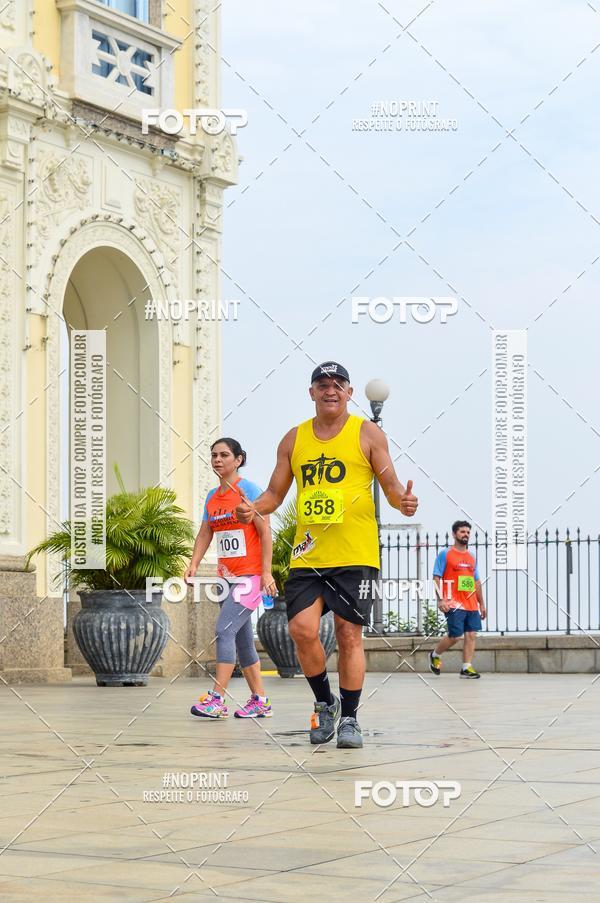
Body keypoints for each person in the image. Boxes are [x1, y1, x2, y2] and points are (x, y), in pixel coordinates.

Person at [235, 361, 418, 748]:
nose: (330, 390)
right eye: (322, 384)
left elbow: (390, 485)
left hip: (356, 553)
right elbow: (274, 493)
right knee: (300, 630)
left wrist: (403, 501)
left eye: (338, 384)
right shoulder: (293, 439)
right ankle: (325, 702)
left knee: (349, 634)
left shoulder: (367, 433)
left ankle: (350, 719)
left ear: (349, 393)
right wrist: (255, 508)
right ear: (312, 393)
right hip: (309, 555)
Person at [185, 438, 277, 718]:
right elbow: (205, 533)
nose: (217, 460)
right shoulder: (213, 497)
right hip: (226, 578)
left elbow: (265, 532)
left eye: (224, 455)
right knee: (241, 639)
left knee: (224, 630)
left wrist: (266, 573)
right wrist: (193, 563)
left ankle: (216, 699)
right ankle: (260, 700)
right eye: (214, 455)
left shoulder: (248, 490)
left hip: (249, 578)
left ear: (238, 459)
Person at [430, 520, 487, 679]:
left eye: (468, 532)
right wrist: (440, 599)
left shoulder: (471, 557)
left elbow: (475, 581)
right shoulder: (445, 554)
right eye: (462, 532)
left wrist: (481, 603)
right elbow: (436, 577)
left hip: (470, 604)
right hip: (453, 602)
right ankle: (435, 655)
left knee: (471, 635)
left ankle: (466, 668)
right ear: (454, 534)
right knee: (455, 635)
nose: (466, 535)